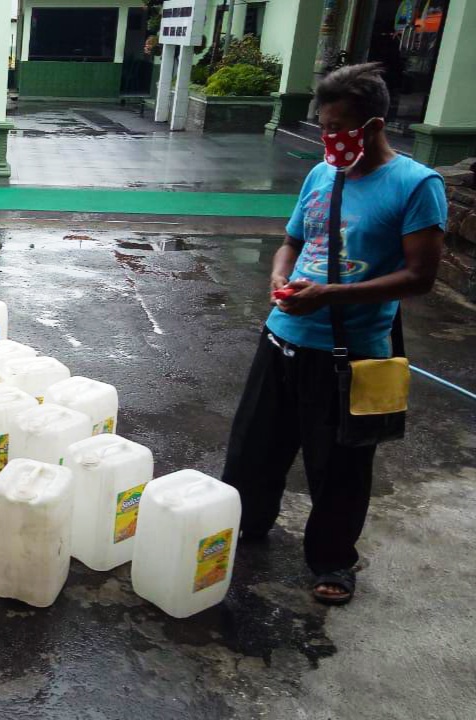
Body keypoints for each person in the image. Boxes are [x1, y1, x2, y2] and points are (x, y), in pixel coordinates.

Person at [221, 63, 446, 606]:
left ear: (372, 125)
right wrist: (279, 274)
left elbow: (421, 277)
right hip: (282, 335)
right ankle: (246, 526)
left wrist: (330, 296)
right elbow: (292, 240)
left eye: (338, 127)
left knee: (340, 465)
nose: (328, 138)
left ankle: (333, 561)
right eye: (323, 126)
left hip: (351, 352)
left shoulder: (417, 185)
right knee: (254, 448)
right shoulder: (322, 174)